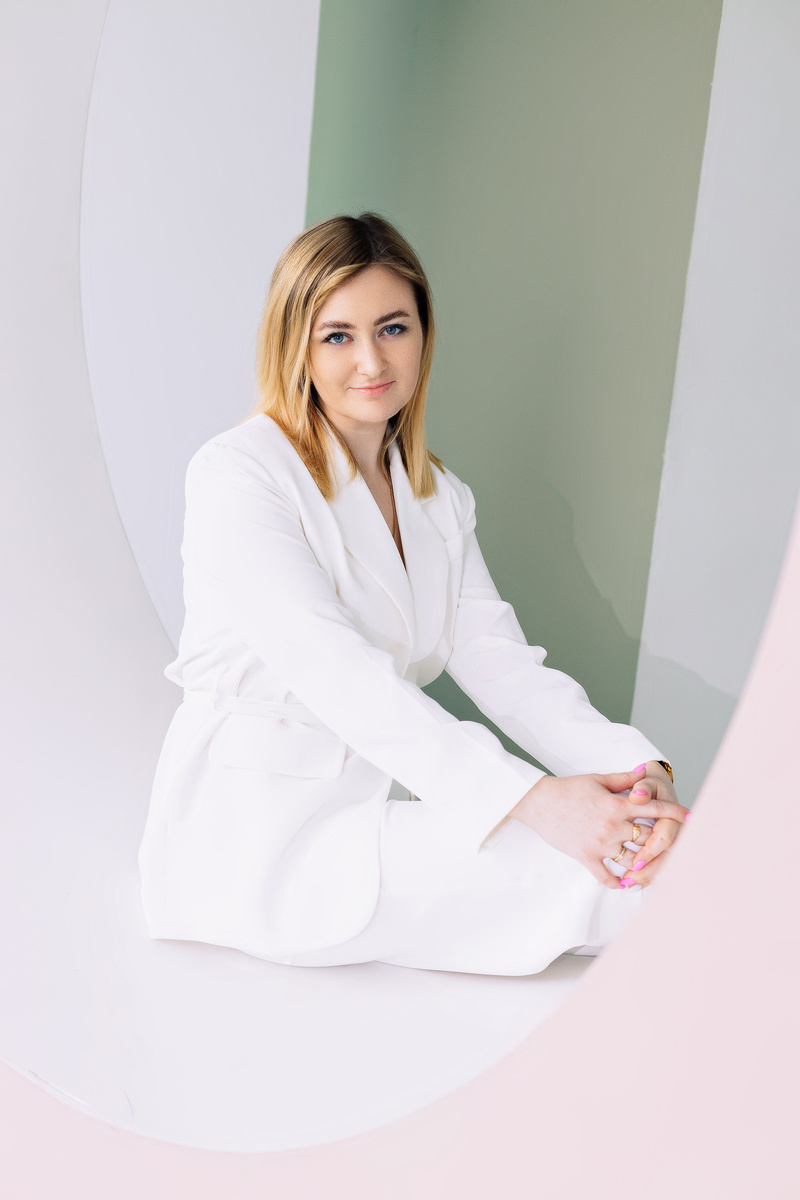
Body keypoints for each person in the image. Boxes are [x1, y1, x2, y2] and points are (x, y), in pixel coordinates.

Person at [138, 212, 689, 975]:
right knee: (630, 882)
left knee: (661, 861)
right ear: (295, 343)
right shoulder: (240, 474)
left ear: (423, 333)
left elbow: (507, 668)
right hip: (254, 846)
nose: (371, 360)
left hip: (368, 817)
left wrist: (638, 776)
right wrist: (540, 801)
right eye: (338, 335)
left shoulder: (437, 497)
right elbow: (343, 678)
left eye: (392, 328)